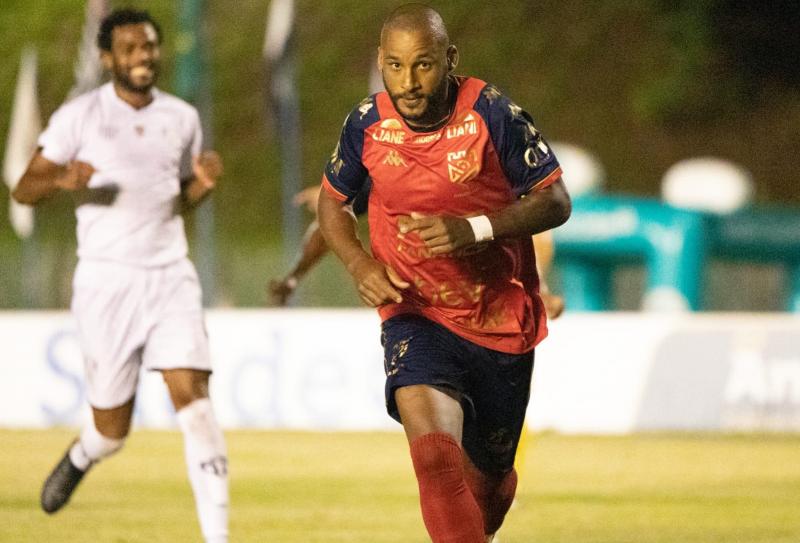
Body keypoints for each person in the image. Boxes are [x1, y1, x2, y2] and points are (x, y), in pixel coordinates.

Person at [316, 4, 571, 542]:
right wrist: (359, 261)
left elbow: (556, 201)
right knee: (434, 458)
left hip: (498, 317)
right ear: (380, 63)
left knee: (490, 487)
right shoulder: (366, 123)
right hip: (416, 312)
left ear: (449, 60)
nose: (408, 83)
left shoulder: (493, 114)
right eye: (394, 66)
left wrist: (474, 228)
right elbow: (332, 203)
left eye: (423, 65)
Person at [12, 9, 228, 543]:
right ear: (108, 58)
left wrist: (199, 188)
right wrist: (62, 178)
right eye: (130, 49)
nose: (143, 57)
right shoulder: (79, 117)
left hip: (170, 274)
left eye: (150, 47)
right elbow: (23, 189)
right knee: (113, 430)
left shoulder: (182, 117)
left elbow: (173, 202)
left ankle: (219, 537)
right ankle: (87, 451)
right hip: (107, 283)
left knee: (195, 401)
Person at [269, 184, 565, 318]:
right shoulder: (386, 171)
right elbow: (329, 223)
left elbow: (527, 232)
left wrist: (539, 290)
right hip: (417, 309)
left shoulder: (491, 177)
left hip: (485, 306)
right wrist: (293, 277)